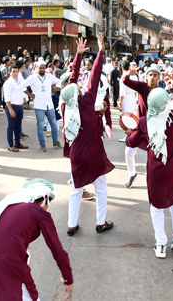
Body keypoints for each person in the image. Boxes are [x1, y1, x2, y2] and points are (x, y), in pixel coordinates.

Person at [125, 61, 173, 258]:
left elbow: (131, 143)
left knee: (156, 207)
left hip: (155, 172)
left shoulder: (143, 123)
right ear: (167, 102)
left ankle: (161, 244)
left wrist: (130, 132)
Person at [0, 179, 73, 301]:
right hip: (7, 260)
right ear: (45, 199)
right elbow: (58, 251)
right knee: (29, 296)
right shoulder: (39, 212)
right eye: (49, 203)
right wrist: (68, 279)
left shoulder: (7, 204)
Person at [62, 35, 115, 236]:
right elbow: (95, 73)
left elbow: (72, 81)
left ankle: (71, 225)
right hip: (93, 153)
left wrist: (78, 56)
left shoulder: (67, 106)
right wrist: (101, 50)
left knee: (76, 190)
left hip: (76, 154)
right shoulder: (87, 101)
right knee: (101, 188)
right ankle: (100, 223)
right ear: (79, 93)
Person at [121, 63, 162, 188]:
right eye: (150, 75)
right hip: (140, 128)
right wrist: (129, 73)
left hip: (155, 130)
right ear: (146, 77)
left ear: (158, 78)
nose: (152, 77)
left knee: (155, 157)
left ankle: (157, 181)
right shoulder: (141, 86)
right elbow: (124, 80)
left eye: (155, 75)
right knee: (129, 151)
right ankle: (132, 174)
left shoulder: (161, 92)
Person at [19, 61, 63, 152]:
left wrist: (54, 91)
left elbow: (59, 82)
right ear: (36, 68)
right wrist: (30, 95)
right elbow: (22, 86)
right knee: (40, 126)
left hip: (49, 105)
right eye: (40, 67)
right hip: (39, 106)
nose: (42, 69)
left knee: (54, 124)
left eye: (43, 67)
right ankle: (42, 144)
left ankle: (55, 141)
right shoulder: (32, 78)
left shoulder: (49, 76)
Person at [3, 65, 29, 152]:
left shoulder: (18, 81)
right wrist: (10, 109)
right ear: (10, 73)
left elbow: (22, 91)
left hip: (19, 106)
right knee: (11, 126)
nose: (15, 73)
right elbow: (7, 98)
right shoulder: (8, 83)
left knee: (18, 126)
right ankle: (10, 145)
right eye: (13, 71)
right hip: (12, 106)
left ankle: (17, 143)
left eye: (16, 71)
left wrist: (24, 101)